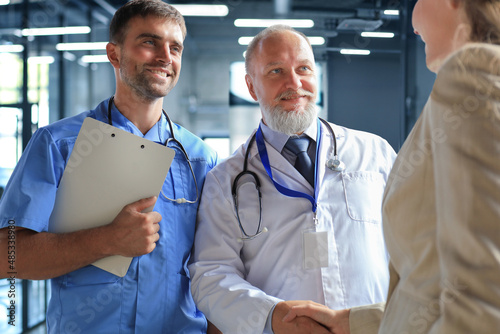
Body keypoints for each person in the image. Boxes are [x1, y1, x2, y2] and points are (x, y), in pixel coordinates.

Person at [282, 0, 500, 333]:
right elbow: (435, 287)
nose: (411, 22)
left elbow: (483, 292)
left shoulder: (471, 73)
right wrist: (355, 321)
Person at [0, 1, 218, 332]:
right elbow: (8, 256)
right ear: (114, 55)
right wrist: (107, 240)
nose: (165, 56)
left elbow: (218, 266)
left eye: (175, 47)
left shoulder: (200, 159)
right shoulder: (59, 145)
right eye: (149, 42)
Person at [188, 25, 396, 334]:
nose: (294, 83)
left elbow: (415, 244)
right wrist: (270, 316)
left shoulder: (374, 153)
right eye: (275, 71)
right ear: (251, 85)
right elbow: (210, 274)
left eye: (304, 69)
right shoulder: (225, 179)